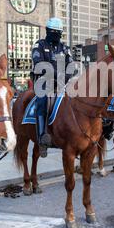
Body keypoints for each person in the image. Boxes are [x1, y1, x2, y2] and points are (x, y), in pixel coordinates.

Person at [32, 17, 73, 158]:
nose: (55, 34)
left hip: (63, 84)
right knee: (42, 102)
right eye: (52, 31)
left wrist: (64, 78)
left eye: (58, 32)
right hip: (44, 83)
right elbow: (38, 63)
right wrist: (55, 75)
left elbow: (71, 66)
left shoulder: (65, 48)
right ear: (47, 31)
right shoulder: (40, 45)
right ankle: (42, 138)